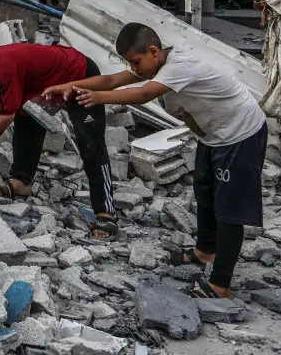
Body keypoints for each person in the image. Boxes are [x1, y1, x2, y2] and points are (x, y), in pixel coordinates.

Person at [44, 23, 267, 299]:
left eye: (136, 62)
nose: (134, 69)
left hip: (240, 133)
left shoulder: (179, 66)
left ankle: (221, 284)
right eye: (130, 64)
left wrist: (97, 98)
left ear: (153, 51)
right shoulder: (156, 64)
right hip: (214, 135)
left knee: (229, 210)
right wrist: (70, 86)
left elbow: (144, 94)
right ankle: (206, 251)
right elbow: (112, 81)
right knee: (205, 191)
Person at [0, 40, 119, 240]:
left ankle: (105, 212)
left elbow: (5, 116)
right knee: (27, 120)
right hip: (42, 86)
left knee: (90, 143)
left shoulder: (5, 65)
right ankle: (21, 182)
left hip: (78, 75)